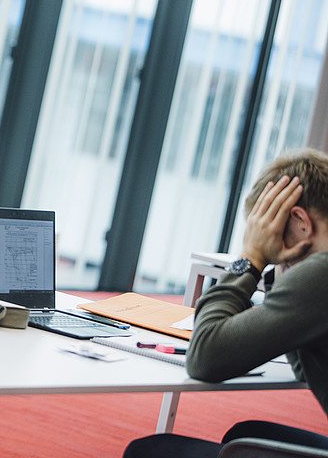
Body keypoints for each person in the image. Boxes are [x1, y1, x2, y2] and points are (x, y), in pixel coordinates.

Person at [123, 148, 328, 457]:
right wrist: (283, 273)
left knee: (154, 450)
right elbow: (305, 367)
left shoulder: (322, 273)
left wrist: (250, 259)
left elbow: (205, 357)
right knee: (246, 435)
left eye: (273, 232)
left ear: (300, 221)